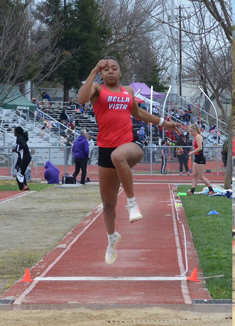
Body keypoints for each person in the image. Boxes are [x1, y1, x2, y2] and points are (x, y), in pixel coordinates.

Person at [77, 57, 182, 265]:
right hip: (106, 149)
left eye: (114, 68)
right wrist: (92, 72)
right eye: (105, 70)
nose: (110, 72)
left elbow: (138, 113)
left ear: (120, 71)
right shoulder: (97, 90)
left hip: (130, 144)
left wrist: (164, 123)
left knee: (119, 156)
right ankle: (111, 238)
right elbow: (81, 99)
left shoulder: (128, 92)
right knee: (108, 204)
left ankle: (133, 204)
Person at [187, 124, 213, 195]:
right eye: (190, 131)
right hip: (196, 157)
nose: (191, 133)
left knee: (201, 176)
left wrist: (192, 152)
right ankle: (192, 190)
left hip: (200, 158)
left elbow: (200, 148)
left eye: (191, 131)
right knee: (194, 175)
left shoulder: (198, 136)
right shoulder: (195, 137)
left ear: (195, 130)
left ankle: (211, 189)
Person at [12, 126, 31, 191]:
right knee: (21, 173)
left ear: (17, 132)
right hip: (25, 157)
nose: (14, 132)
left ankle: (23, 188)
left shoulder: (19, 138)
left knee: (18, 174)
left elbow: (23, 146)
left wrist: (15, 148)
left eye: (14, 131)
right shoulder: (20, 138)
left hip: (24, 158)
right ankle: (25, 187)